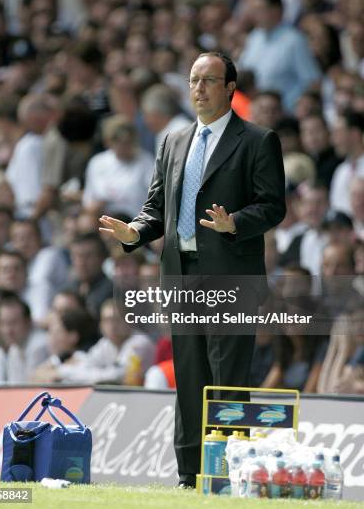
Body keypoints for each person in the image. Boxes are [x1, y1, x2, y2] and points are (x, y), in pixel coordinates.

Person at [99, 52, 286, 488]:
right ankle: (188, 474)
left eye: (208, 80)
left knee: (228, 379)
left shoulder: (258, 140)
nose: (198, 88)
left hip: (230, 274)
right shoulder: (172, 141)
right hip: (180, 274)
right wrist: (135, 233)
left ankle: (231, 471)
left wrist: (235, 222)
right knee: (189, 379)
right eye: (193, 80)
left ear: (229, 89)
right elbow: (155, 208)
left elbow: (273, 205)